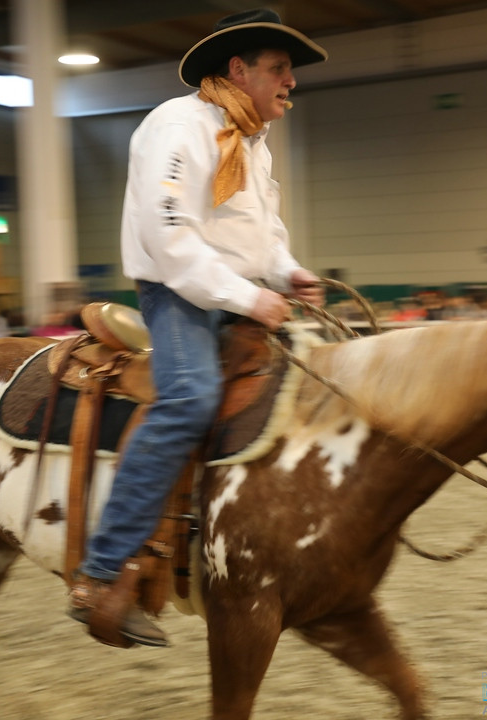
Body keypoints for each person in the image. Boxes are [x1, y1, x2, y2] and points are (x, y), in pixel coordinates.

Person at [67, 8, 328, 647]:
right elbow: (170, 235)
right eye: (280, 68)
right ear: (239, 69)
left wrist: (288, 272)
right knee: (189, 399)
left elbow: (264, 236)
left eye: (289, 70)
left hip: (237, 294)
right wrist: (247, 295)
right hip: (178, 291)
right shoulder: (177, 125)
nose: (290, 81)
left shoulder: (253, 143)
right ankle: (100, 574)